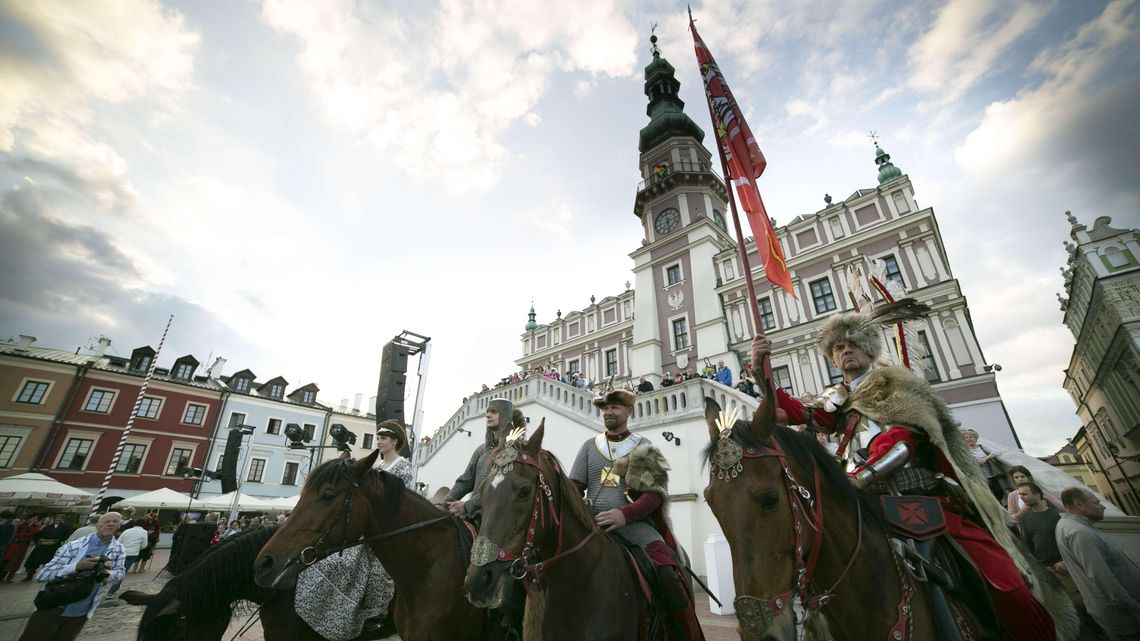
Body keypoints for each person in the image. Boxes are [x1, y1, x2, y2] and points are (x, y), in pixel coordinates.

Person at [752, 310, 1072, 641]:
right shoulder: (839, 402)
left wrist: (858, 478)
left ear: (868, 350)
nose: (845, 350)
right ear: (833, 359)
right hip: (865, 505)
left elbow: (901, 441)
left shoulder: (895, 386)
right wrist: (764, 374)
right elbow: (792, 412)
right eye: (838, 348)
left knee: (1008, 586)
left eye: (852, 344)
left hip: (923, 504)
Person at [569, 389, 704, 640]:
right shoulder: (589, 446)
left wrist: (624, 515)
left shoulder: (643, 447)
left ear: (628, 412)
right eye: (605, 408)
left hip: (634, 526)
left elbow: (654, 495)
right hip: (593, 524)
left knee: (668, 573)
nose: (609, 412)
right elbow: (574, 486)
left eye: (615, 407)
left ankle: (688, 634)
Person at [295, 420, 413, 640]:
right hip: (367, 526)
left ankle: (376, 613)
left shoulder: (403, 465)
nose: (379, 442)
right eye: (378, 438)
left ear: (394, 441)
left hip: (387, 527)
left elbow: (399, 499)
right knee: (338, 560)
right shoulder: (376, 468)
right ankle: (329, 606)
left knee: (379, 568)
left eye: (383, 438)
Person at [17, 512, 125, 641]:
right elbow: (43, 574)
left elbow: (120, 575)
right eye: (106, 521)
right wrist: (76, 567)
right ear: (97, 525)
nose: (111, 524)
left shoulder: (119, 549)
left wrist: (107, 572)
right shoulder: (75, 545)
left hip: (81, 611)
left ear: (119, 526)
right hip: (54, 605)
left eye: (115, 522)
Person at [1055, 487, 1140, 641]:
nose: (1102, 506)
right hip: (1124, 616)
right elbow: (1102, 577)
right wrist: (1134, 609)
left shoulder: (1066, 524)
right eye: (1096, 502)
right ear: (1079, 505)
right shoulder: (1079, 532)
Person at [443, 398, 516, 525]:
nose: (488, 415)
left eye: (493, 412)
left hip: (499, 521)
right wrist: (443, 504)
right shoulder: (481, 451)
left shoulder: (512, 450)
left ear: (504, 415)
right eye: (487, 412)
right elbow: (465, 481)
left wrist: (467, 505)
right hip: (474, 516)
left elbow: (498, 486)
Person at [23, 515, 72, 581]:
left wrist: (58, 541)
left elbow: (66, 536)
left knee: (48, 562)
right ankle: (29, 575)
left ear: (62, 519)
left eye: (59, 518)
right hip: (42, 546)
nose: (57, 519)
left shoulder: (65, 527)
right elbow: (38, 534)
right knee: (33, 561)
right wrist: (37, 541)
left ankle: (46, 575)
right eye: (56, 518)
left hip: (53, 547)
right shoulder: (48, 527)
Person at [962, 428, 1006, 500]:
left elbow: (997, 451)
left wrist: (986, 458)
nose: (968, 439)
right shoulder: (965, 451)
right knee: (987, 497)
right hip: (978, 478)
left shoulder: (981, 447)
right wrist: (976, 462)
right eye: (966, 437)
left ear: (975, 439)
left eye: (970, 437)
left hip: (990, 475)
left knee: (999, 492)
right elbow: (964, 462)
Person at [109, 520, 148, 593]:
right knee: (122, 571)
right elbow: (144, 545)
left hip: (121, 551)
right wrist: (137, 547)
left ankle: (112, 586)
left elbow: (118, 541)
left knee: (117, 568)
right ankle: (112, 591)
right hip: (132, 553)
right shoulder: (144, 532)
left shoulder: (127, 531)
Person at [3, 514, 39, 582]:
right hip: (15, 544)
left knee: (17, 561)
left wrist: (30, 525)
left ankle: (9, 578)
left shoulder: (34, 526)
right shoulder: (21, 525)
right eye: (33, 518)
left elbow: (33, 532)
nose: (35, 520)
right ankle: (3, 575)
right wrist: (25, 534)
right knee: (8, 559)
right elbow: (16, 533)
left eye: (36, 519)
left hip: (23, 545)